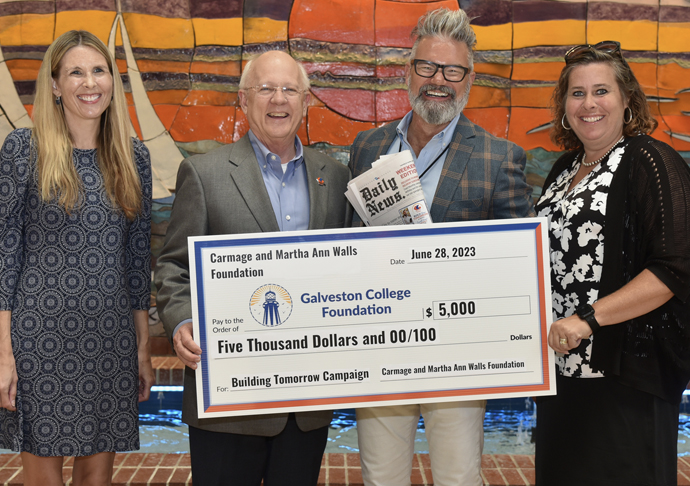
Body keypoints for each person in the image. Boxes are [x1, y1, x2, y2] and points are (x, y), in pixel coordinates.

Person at [348, 8, 534, 486]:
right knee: (380, 478)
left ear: (469, 78)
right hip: (381, 350)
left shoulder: (499, 156)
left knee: (458, 478)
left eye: (453, 71)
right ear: (408, 71)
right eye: (427, 67)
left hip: (458, 359)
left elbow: (517, 267)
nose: (439, 81)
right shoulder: (368, 147)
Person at [154, 50, 351, 486]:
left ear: (305, 101)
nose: (277, 99)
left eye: (289, 89)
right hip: (228, 404)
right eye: (265, 88)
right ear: (244, 100)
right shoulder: (204, 174)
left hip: (305, 405)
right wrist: (182, 320)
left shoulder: (335, 177)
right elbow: (172, 267)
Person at [0, 30, 153, 485]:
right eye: (76, 72)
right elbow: (4, 257)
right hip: (38, 341)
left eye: (99, 70)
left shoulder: (133, 157)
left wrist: (143, 349)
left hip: (109, 340)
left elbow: (136, 262)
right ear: (54, 85)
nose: (90, 83)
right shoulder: (23, 151)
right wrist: (2, 352)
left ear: (112, 80)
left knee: (96, 479)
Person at [534, 40, 690, 486]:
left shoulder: (652, 161)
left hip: (623, 377)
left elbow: (675, 267)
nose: (589, 104)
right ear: (564, 106)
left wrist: (587, 321)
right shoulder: (563, 168)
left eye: (601, 91)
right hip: (561, 372)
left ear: (626, 100)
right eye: (577, 93)